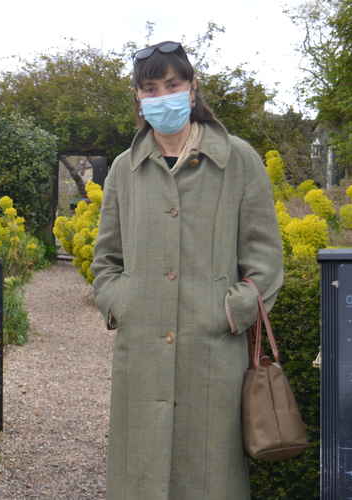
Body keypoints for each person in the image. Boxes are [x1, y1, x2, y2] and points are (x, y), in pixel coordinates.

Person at [91, 41, 283, 500]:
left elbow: (265, 260)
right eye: (151, 88)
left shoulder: (238, 160)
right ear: (138, 97)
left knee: (209, 476)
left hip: (214, 355)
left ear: (193, 88)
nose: (163, 96)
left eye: (172, 84)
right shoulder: (124, 169)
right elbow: (106, 259)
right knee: (139, 477)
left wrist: (229, 313)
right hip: (142, 356)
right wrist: (123, 303)